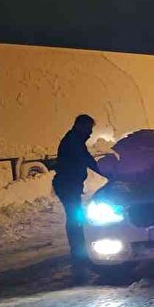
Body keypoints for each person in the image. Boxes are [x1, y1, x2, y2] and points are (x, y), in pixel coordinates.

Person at [53, 114, 101, 278]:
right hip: (67, 186)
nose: (90, 133)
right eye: (88, 129)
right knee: (75, 218)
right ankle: (79, 253)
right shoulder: (73, 142)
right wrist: (107, 172)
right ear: (81, 126)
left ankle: (79, 250)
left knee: (75, 217)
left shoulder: (75, 139)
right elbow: (86, 160)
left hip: (69, 185)